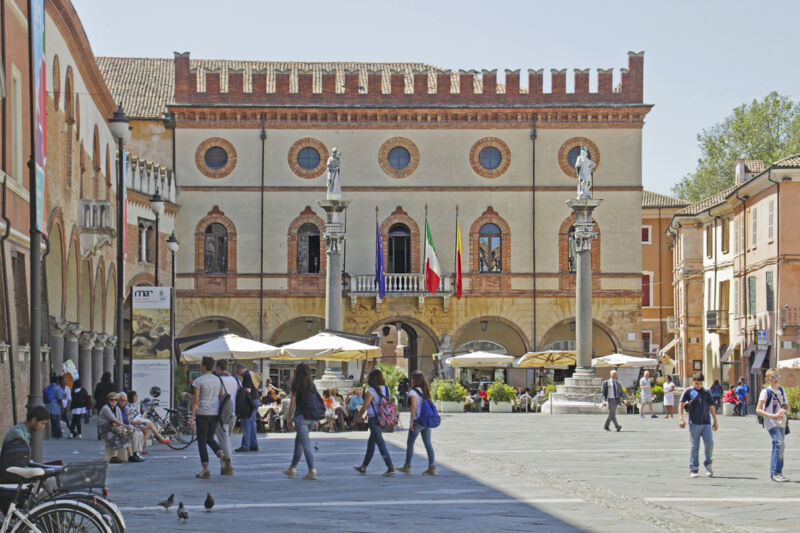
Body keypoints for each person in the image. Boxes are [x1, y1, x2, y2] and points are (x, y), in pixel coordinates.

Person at [354, 368, 395, 476]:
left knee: (380, 442)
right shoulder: (387, 389)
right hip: (384, 418)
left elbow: (365, 405)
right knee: (371, 443)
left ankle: (390, 466)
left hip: (374, 419)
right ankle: (364, 466)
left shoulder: (371, 391)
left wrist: (359, 415)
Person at [190, 356, 226, 479]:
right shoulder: (217, 380)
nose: (200, 366)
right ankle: (221, 455)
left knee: (202, 441)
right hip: (214, 413)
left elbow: (196, 400)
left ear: (204, 366)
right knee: (210, 438)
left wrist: (192, 418)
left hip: (203, 413)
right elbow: (221, 395)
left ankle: (205, 468)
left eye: (201, 364)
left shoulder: (198, 381)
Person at [283, 363, 320, 480]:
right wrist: (316, 419)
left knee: (305, 445)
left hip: (301, 418)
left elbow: (292, 403)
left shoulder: (296, 384)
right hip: (311, 418)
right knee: (298, 444)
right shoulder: (312, 385)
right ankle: (292, 468)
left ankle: (312, 470)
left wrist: (289, 418)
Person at [679, 373, 718, 478]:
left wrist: (715, 421)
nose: (699, 385)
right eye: (697, 383)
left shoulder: (707, 392)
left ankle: (708, 464)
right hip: (694, 423)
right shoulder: (689, 391)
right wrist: (681, 418)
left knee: (709, 444)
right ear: (693, 381)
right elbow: (681, 403)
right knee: (695, 446)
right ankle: (694, 468)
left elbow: (712, 406)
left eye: (700, 383)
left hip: (706, 423)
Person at [755, 368, 791, 482]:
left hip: (781, 421)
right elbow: (758, 409)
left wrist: (784, 411)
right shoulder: (765, 392)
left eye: (777, 377)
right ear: (768, 379)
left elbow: (788, 408)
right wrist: (772, 415)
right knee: (779, 443)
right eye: (773, 377)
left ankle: (777, 472)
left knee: (779, 445)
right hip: (770, 421)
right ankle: (776, 472)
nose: (776, 379)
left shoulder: (781, 390)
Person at [398, 371, 436, 475]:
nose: (411, 380)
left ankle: (407, 466)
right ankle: (432, 466)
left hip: (418, 421)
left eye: (412, 379)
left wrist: (411, 421)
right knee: (428, 444)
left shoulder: (413, 392)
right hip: (426, 420)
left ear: (415, 380)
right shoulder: (426, 391)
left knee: (410, 443)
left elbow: (414, 407)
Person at [98, 392, 142, 464]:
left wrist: (126, 427)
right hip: (105, 430)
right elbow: (114, 420)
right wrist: (126, 426)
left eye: (115, 400)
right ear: (108, 400)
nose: (114, 401)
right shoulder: (106, 408)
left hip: (114, 428)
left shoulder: (117, 408)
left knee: (127, 434)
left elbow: (119, 421)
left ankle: (131, 456)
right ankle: (114, 457)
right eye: (112, 400)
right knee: (119, 437)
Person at [214, 359, 238, 476]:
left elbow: (218, 396)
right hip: (233, 412)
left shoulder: (219, 380)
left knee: (223, 439)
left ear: (219, 368)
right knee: (226, 438)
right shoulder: (235, 380)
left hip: (222, 412)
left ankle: (228, 465)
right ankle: (225, 464)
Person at [234, 363, 260, 453]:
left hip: (249, 402)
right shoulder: (252, 374)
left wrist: (240, 391)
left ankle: (245, 445)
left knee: (246, 423)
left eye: (238, 372)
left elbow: (248, 389)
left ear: (240, 369)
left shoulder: (246, 375)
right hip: (256, 400)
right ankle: (253, 444)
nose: (238, 374)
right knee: (252, 423)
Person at [44, 374, 64, 439]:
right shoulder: (57, 388)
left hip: (48, 407)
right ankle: (58, 434)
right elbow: (60, 399)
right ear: (57, 381)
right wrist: (62, 407)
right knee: (57, 421)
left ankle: (53, 433)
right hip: (55, 407)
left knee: (52, 422)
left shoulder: (47, 388)